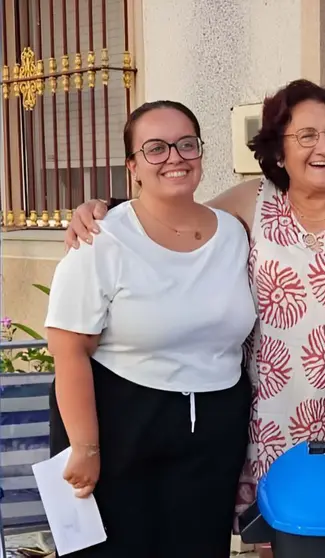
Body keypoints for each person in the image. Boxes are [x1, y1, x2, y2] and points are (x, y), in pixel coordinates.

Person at [61, 80, 325, 557]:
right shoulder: (252, 202)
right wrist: (103, 209)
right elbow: (172, 215)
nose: (324, 147)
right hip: (273, 414)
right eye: (306, 136)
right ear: (279, 149)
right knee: (279, 538)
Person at [46, 100, 256, 556]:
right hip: (119, 424)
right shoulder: (101, 238)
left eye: (186, 144)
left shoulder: (234, 233)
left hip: (215, 430)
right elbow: (68, 349)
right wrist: (85, 448)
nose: (174, 157)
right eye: (156, 148)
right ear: (133, 166)